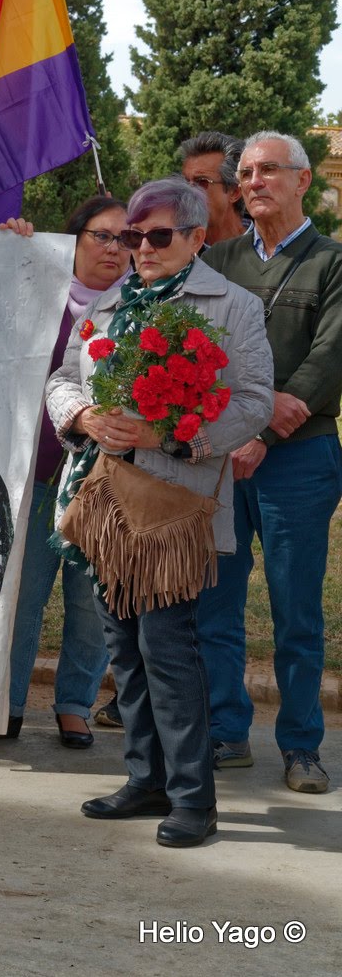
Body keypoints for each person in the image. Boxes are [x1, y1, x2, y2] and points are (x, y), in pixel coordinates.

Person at [46, 177, 273, 847]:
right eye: (130, 235)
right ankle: (146, 779)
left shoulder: (233, 305)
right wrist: (84, 415)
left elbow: (254, 401)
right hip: (102, 503)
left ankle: (193, 798)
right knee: (125, 647)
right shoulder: (108, 303)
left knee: (167, 647)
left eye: (157, 235)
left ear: (198, 237)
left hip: (174, 506)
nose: (140, 247)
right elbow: (62, 378)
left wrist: (170, 434)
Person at [0, 198, 128, 749]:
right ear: (73, 240)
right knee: (19, 598)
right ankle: (3, 707)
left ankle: (75, 706)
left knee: (89, 602)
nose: (115, 248)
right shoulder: (31, 290)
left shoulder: (140, 307)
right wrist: (12, 250)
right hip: (30, 475)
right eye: (102, 235)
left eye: (126, 238)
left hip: (104, 483)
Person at [197, 131, 342, 794]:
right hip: (222, 459)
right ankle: (227, 731)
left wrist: (263, 426)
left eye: (268, 171)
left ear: (302, 180)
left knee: (296, 611)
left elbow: (329, 356)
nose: (253, 182)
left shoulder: (331, 263)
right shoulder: (217, 260)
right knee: (216, 604)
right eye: (246, 173)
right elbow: (195, 349)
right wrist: (240, 421)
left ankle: (302, 746)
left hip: (299, 458)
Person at [178, 132, 247, 246]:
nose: (188, 191)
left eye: (201, 182)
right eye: (185, 183)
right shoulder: (176, 250)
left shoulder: (269, 246)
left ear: (234, 192)